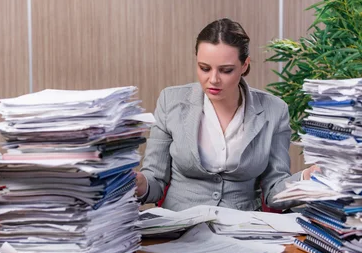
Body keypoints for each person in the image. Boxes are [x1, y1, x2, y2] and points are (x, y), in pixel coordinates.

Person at [135, 18, 318, 211]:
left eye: (226, 70)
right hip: (180, 226)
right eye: (204, 68)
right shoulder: (170, 101)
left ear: (244, 65)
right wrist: (137, 183)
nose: (213, 79)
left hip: (243, 228)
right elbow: (154, 181)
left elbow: (274, 191)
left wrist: (308, 177)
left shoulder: (274, 110)